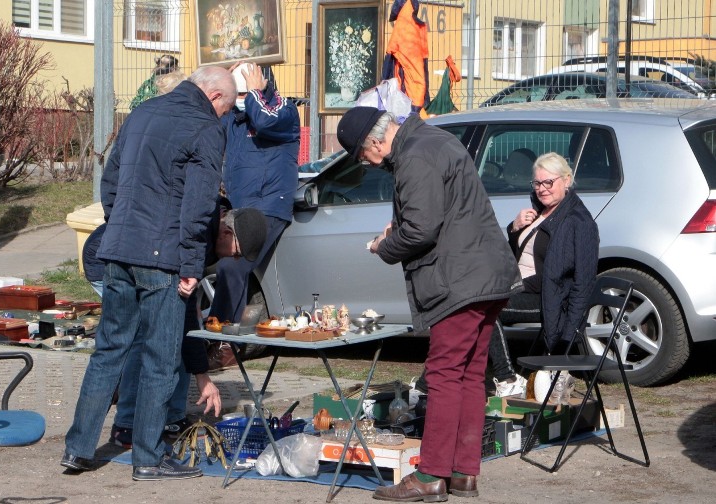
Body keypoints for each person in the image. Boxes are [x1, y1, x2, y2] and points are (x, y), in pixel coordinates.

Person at [60, 65, 237, 482]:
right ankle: (149, 457)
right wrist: (192, 266)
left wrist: (120, 227)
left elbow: (111, 183)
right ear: (215, 98)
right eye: (226, 110)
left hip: (118, 249)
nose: (225, 118)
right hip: (163, 259)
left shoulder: (142, 113)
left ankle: (78, 450)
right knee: (160, 359)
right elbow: (198, 205)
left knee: (109, 352)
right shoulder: (205, 128)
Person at [336, 107, 521, 501]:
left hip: (460, 279)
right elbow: (440, 212)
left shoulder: (414, 155)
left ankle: (432, 474)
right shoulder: (435, 140)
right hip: (486, 273)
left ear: (374, 141)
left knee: (443, 374)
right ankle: (463, 473)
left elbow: (421, 228)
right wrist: (400, 228)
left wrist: (384, 246)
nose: (368, 164)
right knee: (470, 374)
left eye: (362, 156)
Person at [102, 204, 268, 447]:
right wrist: (202, 375)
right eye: (236, 253)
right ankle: (126, 423)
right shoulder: (198, 236)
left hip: (145, 257)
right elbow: (187, 313)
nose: (234, 259)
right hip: (122, 258)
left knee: (174, 339)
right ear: (226, 233)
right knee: (142, 341)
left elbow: (187, 315)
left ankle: (171, 419)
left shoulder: (208, 234)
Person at [206, 61, 301, 370]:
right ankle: (192, 338)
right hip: (237, 206)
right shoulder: (233, 117)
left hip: (269, 206)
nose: (240, 100)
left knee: (233, 266)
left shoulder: (283, 111)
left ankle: (223, 344)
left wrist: (256, 92)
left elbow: (265, 123)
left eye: (242, 91)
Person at [493, 152, 600, 360]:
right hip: (516, 286)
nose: (542, 189)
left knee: (485, 307)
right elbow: (516, 256)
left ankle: (505, 375)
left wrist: (568, 336)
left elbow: (583, 281)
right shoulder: (539, 212)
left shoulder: (580, 222)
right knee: (469, 298)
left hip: (547, 298)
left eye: (548, 182)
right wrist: (515, 229)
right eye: (537, 183)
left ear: (566, 180)